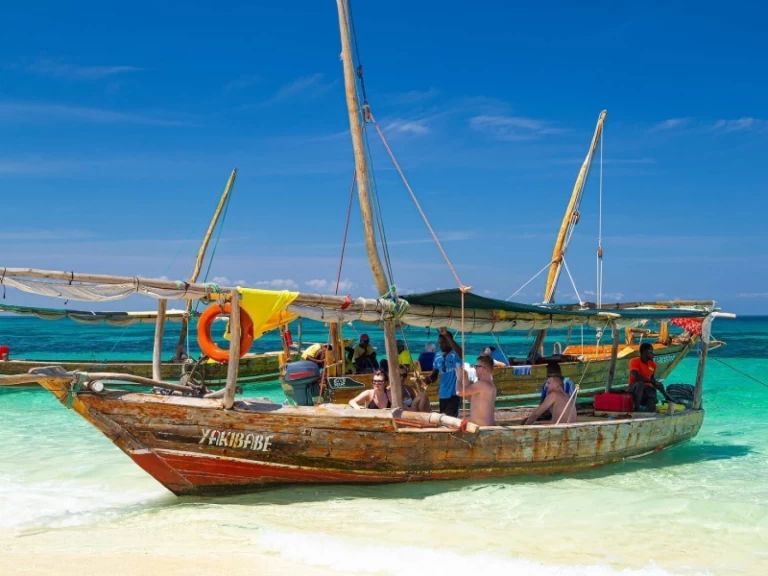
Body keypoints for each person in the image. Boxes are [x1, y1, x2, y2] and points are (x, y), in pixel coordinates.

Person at [423, 327, 463, 417]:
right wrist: (429, 379)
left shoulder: (456, 354)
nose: (441, 345)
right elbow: (434, 374)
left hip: (454, 394)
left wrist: (447, 336)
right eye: (440, 343)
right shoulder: (437, 356)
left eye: (444, 342)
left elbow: (461, 353)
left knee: (449, 419)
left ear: (450, 341)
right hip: (442, 394)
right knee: (444, 419)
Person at [455, 355, 496, 426]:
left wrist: (458, 378)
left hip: (482, 430)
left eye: (476, 366)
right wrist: (465, 378)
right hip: (487, 428)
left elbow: (459, 392)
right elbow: (471, 399)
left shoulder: (481, 384)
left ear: (483, 369)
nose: (475, 369)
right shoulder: (491, 386)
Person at [628, 343, 667, 411]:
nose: (653, 353)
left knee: (652, 408)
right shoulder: (634, 361)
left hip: (647, 390)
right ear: (644, 352)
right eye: (651, 351)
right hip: (635, 388)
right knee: (640, 383)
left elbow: (651, 378)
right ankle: (636, 408)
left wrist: (658, 385)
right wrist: (652, 381)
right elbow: (636, 377)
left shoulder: (653, 364)